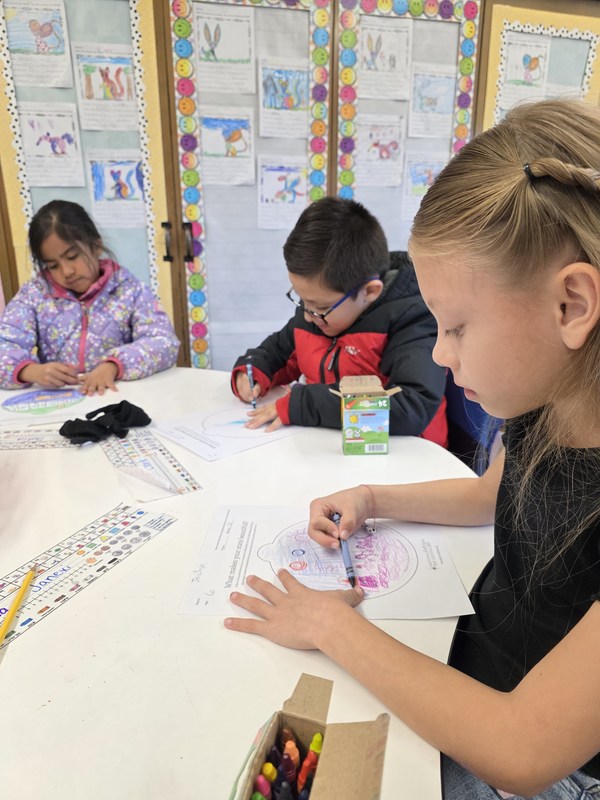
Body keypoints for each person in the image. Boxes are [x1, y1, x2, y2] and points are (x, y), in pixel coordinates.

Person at [225, 98, 600, 799]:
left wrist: (330, 627)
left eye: (455, 328)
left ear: (572, 305)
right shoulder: (546, 401)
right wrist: (373, 498)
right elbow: (488, 495)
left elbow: (522, 747)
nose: (439, 355)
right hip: (471, 661)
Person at [231, 197, 448, 446]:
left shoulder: (411, 321)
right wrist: (252, 372)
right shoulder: (315, 316)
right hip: (331, 447)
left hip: (406, 454)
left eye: (321, 307)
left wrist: (304, 404)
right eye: (301, 299)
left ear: (369, 291)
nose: (307, 315)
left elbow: (411, 406)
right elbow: (276, 352)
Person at [0, 200, 180, 395]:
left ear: (96, 246)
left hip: (115, 398)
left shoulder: (129, 289)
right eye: (53, 266)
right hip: (61, 402)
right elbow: (4, 345)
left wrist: (114, 365)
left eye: (72, 256)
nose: (67, 271)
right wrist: (29, 371)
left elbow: (164, 342)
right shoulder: (34, 294)